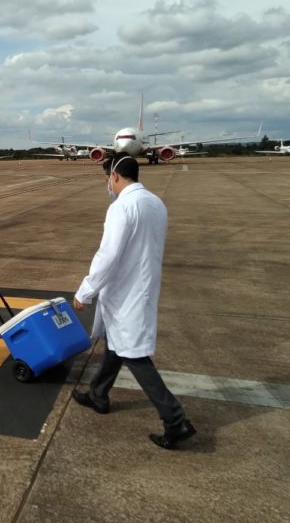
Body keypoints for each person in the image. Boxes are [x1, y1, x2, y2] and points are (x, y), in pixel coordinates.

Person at [71, 152, 196, 450]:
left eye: (107, 178)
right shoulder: (155, 202)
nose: (107, 184)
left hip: (126, 291)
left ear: (114, 176)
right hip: (142, 286)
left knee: (134, 354)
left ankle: (175, 420)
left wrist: (85, 290)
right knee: (116, 344)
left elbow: (108, 255)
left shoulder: (121, 207)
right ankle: (98, 394)